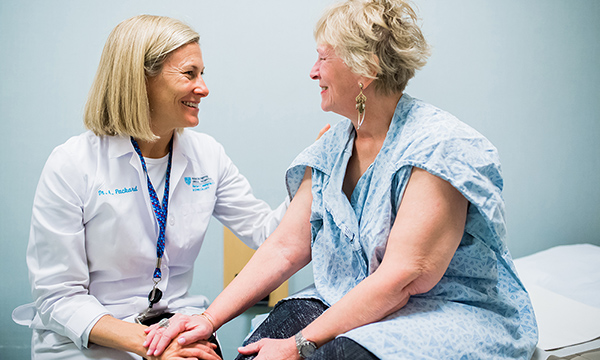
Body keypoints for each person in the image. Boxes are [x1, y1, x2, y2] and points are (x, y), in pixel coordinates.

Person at [143, 0, 538, 359]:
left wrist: (298, 346)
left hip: (448, 307)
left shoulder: (441, 147)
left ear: (364, 67)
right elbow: (284, 247)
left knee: (342, 354)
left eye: (323, 59)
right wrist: (209, 320)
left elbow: (403, 279)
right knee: (255, 351)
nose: (313, 72)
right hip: (351, 297)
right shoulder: (333, 147)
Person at [11, 14, 294, 359]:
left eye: (202, 74)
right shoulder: (73, 164)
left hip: (175, 329)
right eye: (189, 74)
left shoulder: (208, 155)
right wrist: (153, 345)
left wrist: (311, 178)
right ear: (141, 79)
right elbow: (57, 297)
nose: (203, 88)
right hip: (92, 341)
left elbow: (271, 235)